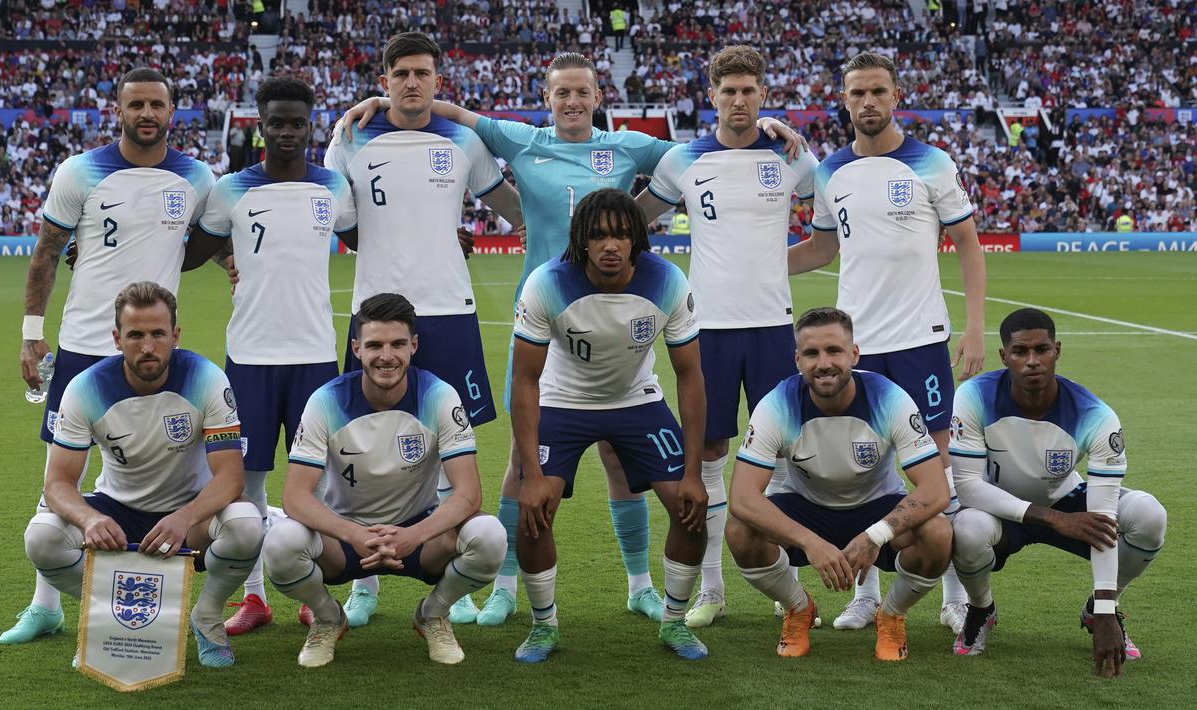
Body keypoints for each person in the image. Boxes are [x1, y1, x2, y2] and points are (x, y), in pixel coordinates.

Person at [340, 51, 804, 627]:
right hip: (542, 325)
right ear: (548, 95)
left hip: (615, 325)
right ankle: (505, 585)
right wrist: (385, 102)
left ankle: (639, 585)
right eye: (562, 93)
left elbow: (706, 152)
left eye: (583, 92)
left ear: (597, 96)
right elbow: (452, 111)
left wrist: (765, 130)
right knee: (521, 461)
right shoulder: (520, 140)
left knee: (619, 456)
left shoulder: (630, 146)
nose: (573, 102)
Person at [6, 67, 216, 645]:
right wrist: (31, 332)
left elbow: (206, 241)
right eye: (136, 105)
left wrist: (233, 263)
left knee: (165, 457)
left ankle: (214, 602)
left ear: (173, 113)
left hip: (153, 342)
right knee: (60, 470)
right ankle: (45, 604)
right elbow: (47, 251)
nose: (147, 114)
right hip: (84, 341)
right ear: (117, 112)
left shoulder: (197, 177)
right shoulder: (80, 171)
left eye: (157, 105)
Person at [324, 31, 522, 626]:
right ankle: (365, 581)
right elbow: (338, 221)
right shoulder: (351, 136)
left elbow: (513, 207)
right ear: (384, 79)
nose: (413, 82)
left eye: (424, 73)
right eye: (402, 72)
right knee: (363, 443)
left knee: (452, 445)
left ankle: (454, 586)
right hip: (378, 311)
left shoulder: (463, 139)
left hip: (449, 308)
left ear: (439, 81)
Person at [788, 51, 986, 633]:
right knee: (858, 471)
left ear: (895, 96)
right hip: (856, 347)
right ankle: (866, 595)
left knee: (938, 470)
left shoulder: (931, 163)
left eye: (878, 91)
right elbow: (822, 250)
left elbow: (970, 246)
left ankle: (953, 595)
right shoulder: (831, 172)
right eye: (857, 93)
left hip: (921, 339)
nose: (868, 102)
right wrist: (755, 265)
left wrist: (973, 328)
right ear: (844, 101)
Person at [635, 45, 819, 628]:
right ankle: (712, 590)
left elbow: (826, 238)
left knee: (788, 455)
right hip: (706, 328)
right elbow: (631, 224)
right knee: (708, 455)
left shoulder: (793, 157)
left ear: (763, 93)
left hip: (771, 326)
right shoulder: (681, 160)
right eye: (728, 91)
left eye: (749, 91)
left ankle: (781, 584)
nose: (739, 101)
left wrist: (766, 265)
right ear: (710, 96)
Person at [183, 76, 358, 635]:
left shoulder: (333, 185)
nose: (287, 131)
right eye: (276, 122)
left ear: (311, 125)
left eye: (297, 122)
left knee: (325, 482)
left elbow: (371, 239)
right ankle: (255, 598)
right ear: (260, 126)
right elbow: (191, 253)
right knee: (249, 482)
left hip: (313, 356)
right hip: (251, 357)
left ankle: (312, 591)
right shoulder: (232, 189)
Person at [509, 188, 709, 662]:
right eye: (598, 236)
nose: (610, 246)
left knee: (689, 506)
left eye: (621, 235)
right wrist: (531, 476)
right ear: (581, 240)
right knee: (533, 512)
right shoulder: (547, 283)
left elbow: (690, 376)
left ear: (638, 238)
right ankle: (543, 627)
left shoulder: (668, 282)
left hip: (635, 399)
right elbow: (525, 380)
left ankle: (675, 622)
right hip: (563, 400)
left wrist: (695, 472)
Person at [23, 282, 263, 668]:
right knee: (42, 537)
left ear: (175, 336)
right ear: (117, 339)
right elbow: (57, 484)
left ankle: (205, 618)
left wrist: (185, 517)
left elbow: (230, 478)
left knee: (248, 524)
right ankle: (112, 619)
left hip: (191, 514)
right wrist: (90, 518)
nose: (147, 346)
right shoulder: (86, 388)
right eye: (135, 335)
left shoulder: (206, 378)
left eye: (157, 334)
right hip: (117, 511)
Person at [262, 293, 506, 667]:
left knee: (490, 536)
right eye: (374, 345)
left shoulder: (439, 396)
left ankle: (432, 614)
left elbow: (468, 493)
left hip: (419, 537)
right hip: (345, 540)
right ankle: (328, 618)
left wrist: (414, 535)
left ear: (414, 347)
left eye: (397, 344)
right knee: (280, 544)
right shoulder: (326, 400)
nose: (386, 356)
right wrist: (352, 534)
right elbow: (295, 496)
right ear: (357, 348)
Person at [725, 307, 952, 661]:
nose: (824, 363)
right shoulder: (777, 403)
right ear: (798, 360)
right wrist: (810, 543)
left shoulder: (889, 398)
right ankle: (798, 608)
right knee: (740, 530)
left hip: (878, 507)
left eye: (834, 351)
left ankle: (891, 615)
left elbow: (936, 489)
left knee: (938, 534)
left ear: (854, 354)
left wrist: (875, 535)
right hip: (806, 510)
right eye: (812, 354)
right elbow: (741, 497)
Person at [949, 308, 1166, 676]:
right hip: (999, 507)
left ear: (1057, 350)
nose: (1032, 361)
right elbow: (968, 487)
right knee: (966, 531)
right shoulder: (974, 395)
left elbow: (1104, 517)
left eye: (1042, 349)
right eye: (1020, 351)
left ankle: (1098, 612)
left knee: (1149, 515)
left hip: (1067, 500)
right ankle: (981, 609)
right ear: (1004, 356)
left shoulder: (1095, 415)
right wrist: (1052, 518)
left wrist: (1105, 608)